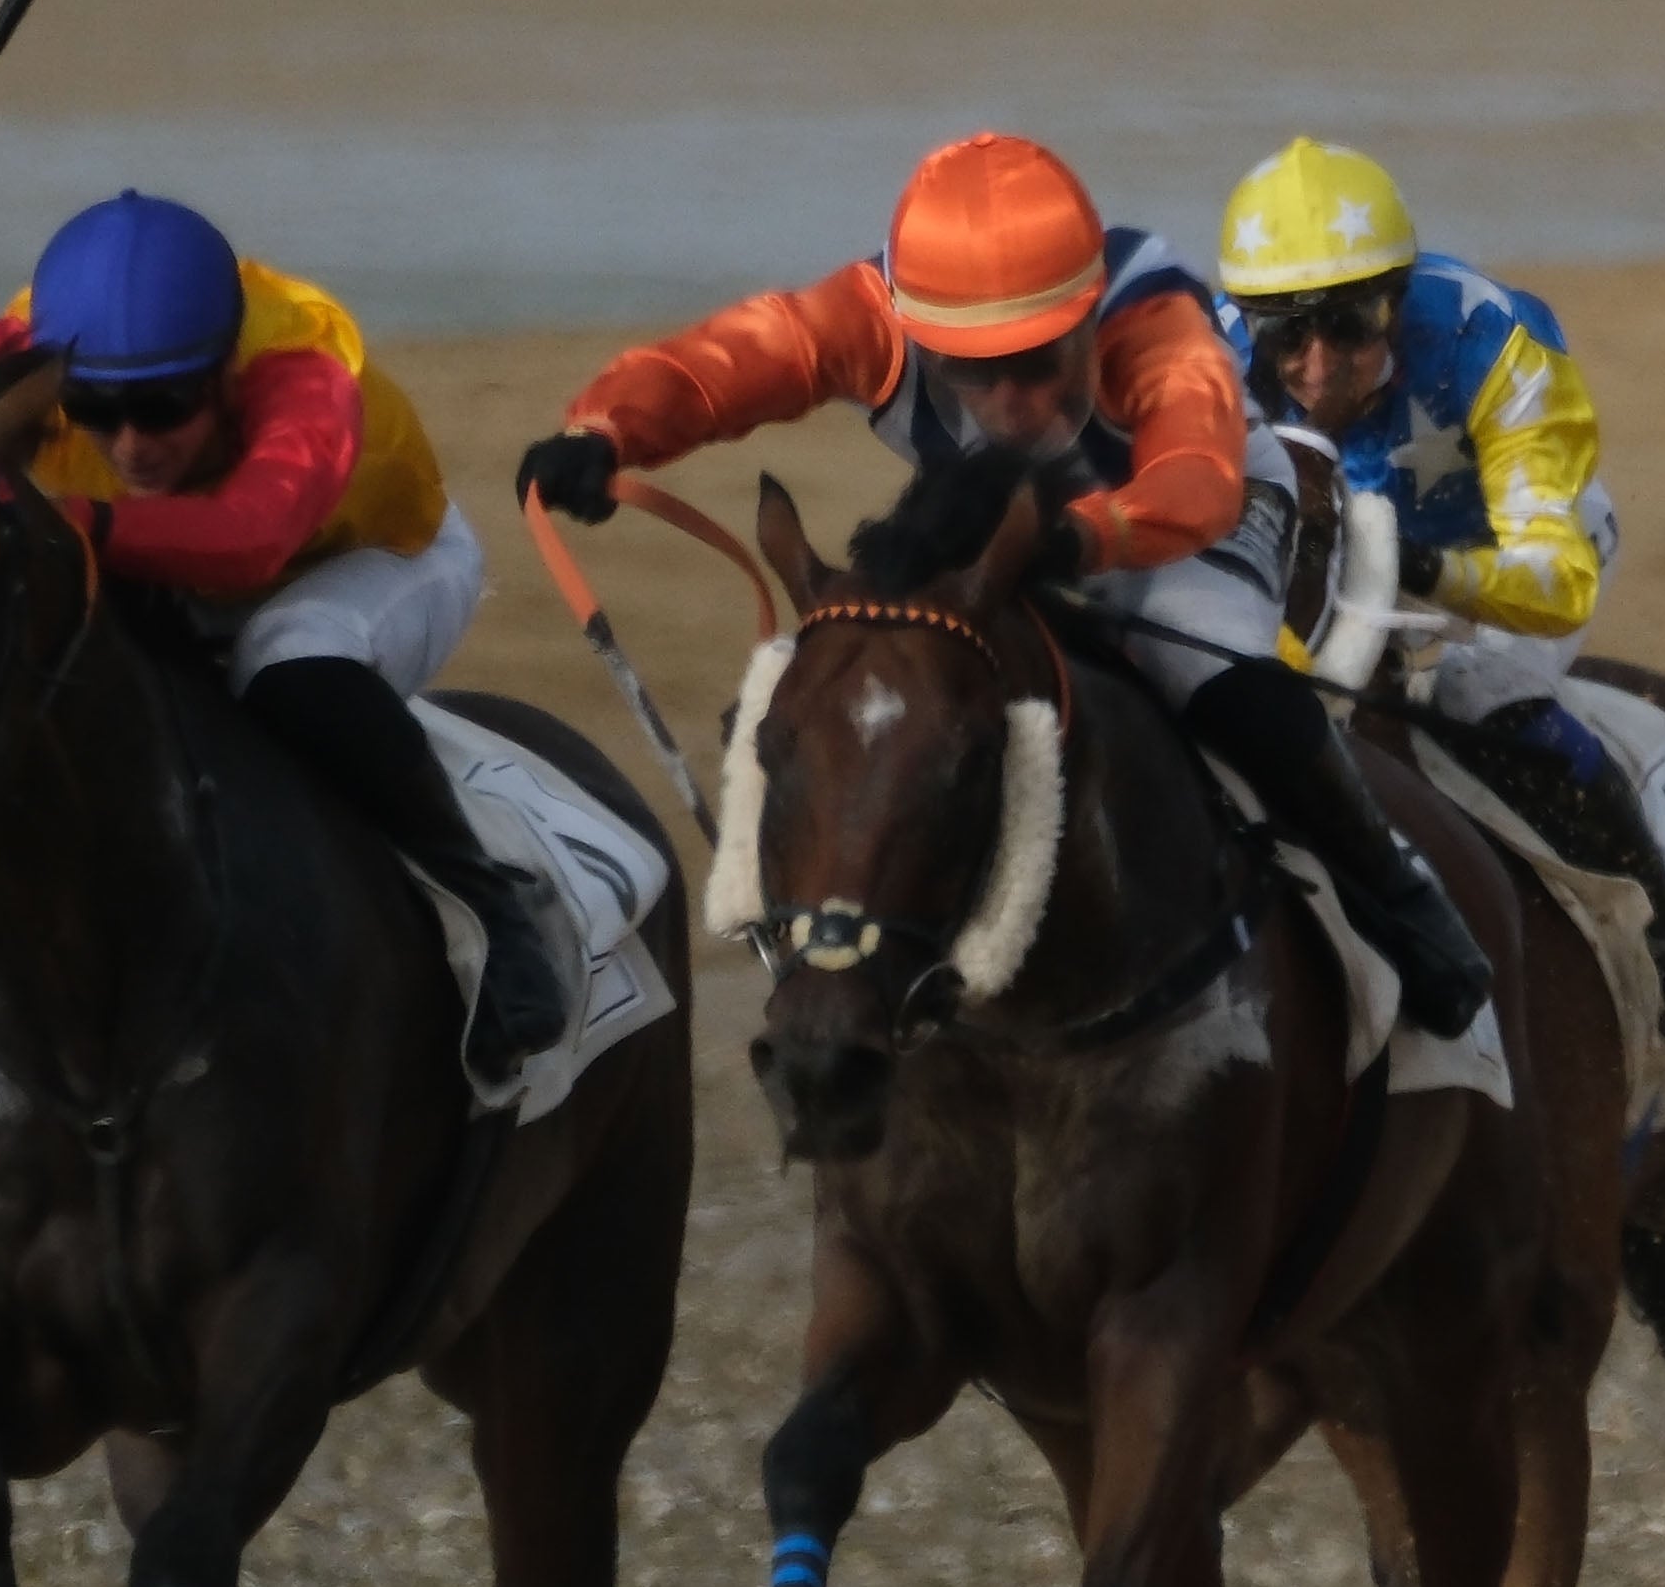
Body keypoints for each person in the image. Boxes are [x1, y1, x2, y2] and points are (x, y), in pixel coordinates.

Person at [514, 132, 1492, 1038]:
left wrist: (1086, 536)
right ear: (916, 331)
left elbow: (1195, 480)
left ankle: (1398, 890)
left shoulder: (1155, 317)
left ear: (1091, 313)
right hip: (1011, 513)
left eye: (1038, 361)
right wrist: (605, 429)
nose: (1014, 402)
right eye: (974, 372)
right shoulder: (865, 318)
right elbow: (723, 364)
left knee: (1216, 684)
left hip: (1199, 516)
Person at [0, 190, 572, 1063]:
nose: (130, 444)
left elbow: (253, 536)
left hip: (365, 556)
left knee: (287, 659)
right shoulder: (13, 350)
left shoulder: (303, 373)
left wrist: (60, 524)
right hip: (149, 548)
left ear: (223, 369)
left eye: (163, 406)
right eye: (94, 407)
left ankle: (492, 905)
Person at [1213, 137, 1665, 1037]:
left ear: (1397, 299)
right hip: (1331, 557)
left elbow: (1558, 582)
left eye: (1350, 325)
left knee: (1482, 689)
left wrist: (1418, 569)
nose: (1318, 368)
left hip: (1502, 557)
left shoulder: (1493, 342)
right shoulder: (1211, 359)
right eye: (1287, 332)